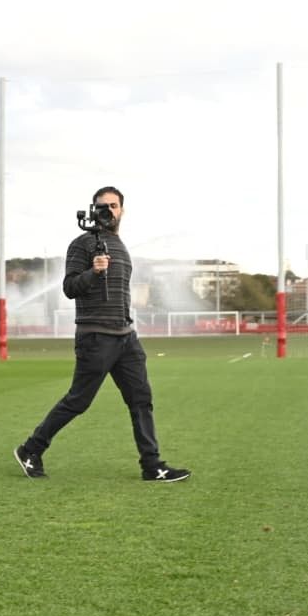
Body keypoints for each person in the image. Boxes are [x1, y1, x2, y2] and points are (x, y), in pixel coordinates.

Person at [13, 186, 190, 483]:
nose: (108, 210)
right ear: (94, 210)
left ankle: (152, 465)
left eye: (113, 205)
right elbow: (69, 288)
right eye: (102, 206)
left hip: (125, 336)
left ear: (122, 210)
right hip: (96, 336)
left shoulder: (120, 246)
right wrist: (93, 272)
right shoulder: (81, 245)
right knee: (78, 401)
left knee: (141, 399)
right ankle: (31, 449)